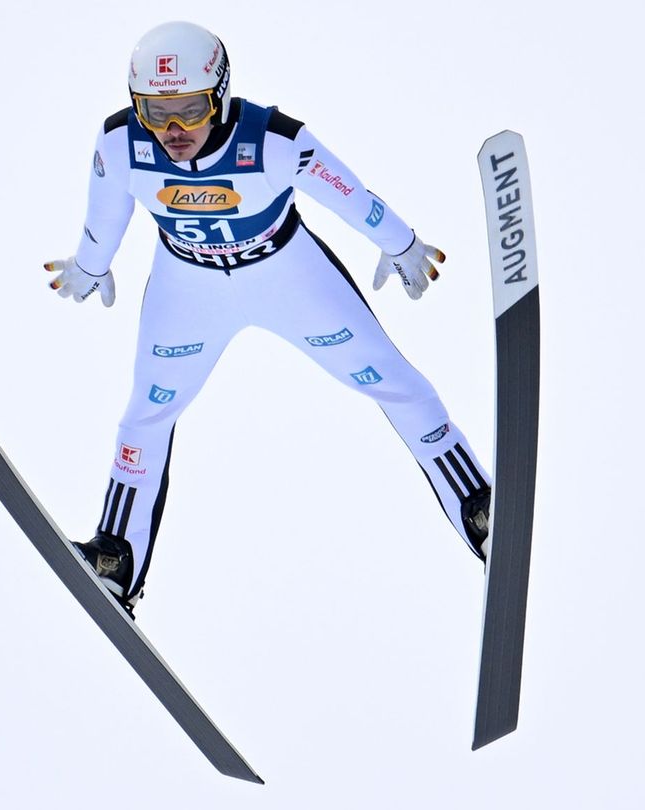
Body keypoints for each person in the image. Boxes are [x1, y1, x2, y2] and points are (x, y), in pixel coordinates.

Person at [45, 21, 491, 614]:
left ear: (221, 94)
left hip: (288, 277)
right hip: (189, 290)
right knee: (144, 417)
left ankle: (481, 509)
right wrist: (92, 264)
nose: (174, 131)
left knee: (399, 386)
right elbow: (105, 212)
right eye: (156, 112)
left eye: (189, 109)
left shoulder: (277, 140)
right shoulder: (120, 144)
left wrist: (400, 242)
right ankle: (115, 557)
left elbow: (349, 194)